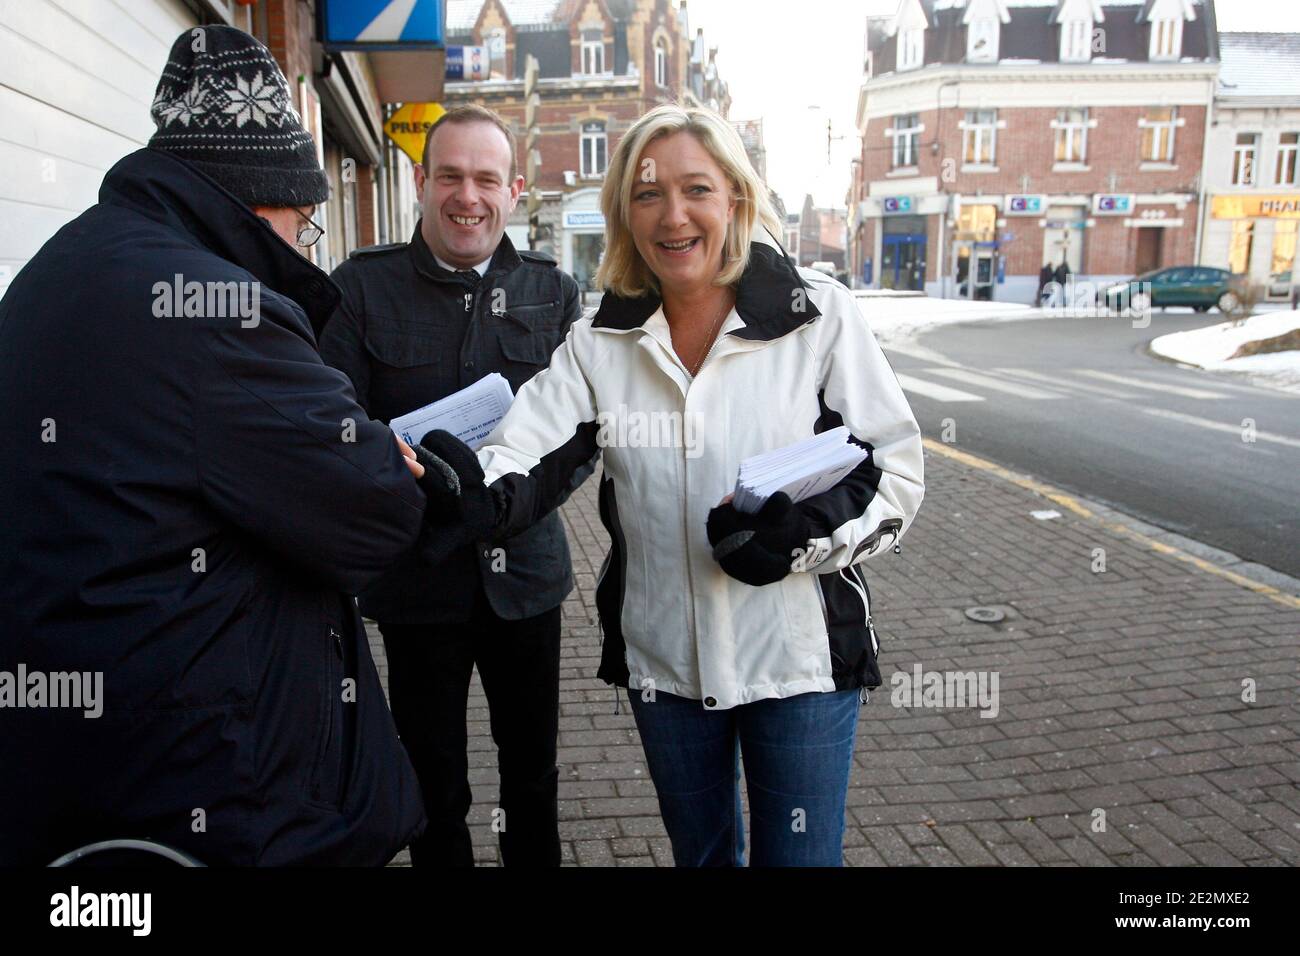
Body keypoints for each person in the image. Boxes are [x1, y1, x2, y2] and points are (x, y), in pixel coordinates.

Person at [409, 102, 925, 866]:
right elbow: (526, 445)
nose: (672, 215)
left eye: (697, 190)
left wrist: (801, 540)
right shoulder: (600, 341)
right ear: (624, 212)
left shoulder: (815, 317)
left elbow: (895, 470)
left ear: (737, 200)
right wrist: (477, 490)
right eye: (648, 194)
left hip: (800, 665)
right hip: (666, 670)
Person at [0, 25, 435, 866]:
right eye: (307, 224)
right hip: (207, 784)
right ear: (256, 197)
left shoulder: (59, 265)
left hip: (79, 770)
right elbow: (375, 511)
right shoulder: (216, 310)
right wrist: (392, 459)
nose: (308, 243)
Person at [318, 105, 585, 867]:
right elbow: (333, 427)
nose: (468, 197)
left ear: (514, 189)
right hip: (418, 581)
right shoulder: (361, 290)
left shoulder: (553, 294)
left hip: (524, 577)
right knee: (434, 782)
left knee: (532, 776)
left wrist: (506, 506)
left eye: (486, 179)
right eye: (451, 177)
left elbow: (578, 438)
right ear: (420, 182)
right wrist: (413, 483)